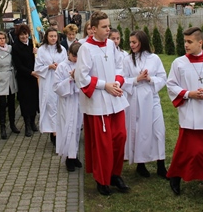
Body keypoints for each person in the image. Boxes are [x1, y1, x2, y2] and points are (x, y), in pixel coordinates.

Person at [166, 26, 203, 205]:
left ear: (200, 42)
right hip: (190, 113)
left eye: (190, 42)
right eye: (185, 41)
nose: (186, 45)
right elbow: (171, 85)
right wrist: (188, 93)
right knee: (185, 151)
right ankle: (175, 178)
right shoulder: (179, 63)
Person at [74, 11, 130, 196]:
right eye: (104, 27)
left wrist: (117, 82)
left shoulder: (111, 45)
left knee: (120, 137)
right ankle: (102, 179)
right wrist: (105, 85)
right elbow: (81, 77)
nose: (108, 30)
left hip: (115, 98)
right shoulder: (86, 48)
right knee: (103, 144)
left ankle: (115, 174)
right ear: (93, 29)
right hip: (98, 103)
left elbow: (120, 66)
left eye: (109, 26)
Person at [122, 30, 168, 178]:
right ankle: (140, 164)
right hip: (136, 99)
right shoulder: (127, 60)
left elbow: (163, 77)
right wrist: (137, 79)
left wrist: (150, 79)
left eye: (134, 42)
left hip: (152, 97)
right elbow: (122, 79)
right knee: (140, 131)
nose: (131, 45)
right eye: (130, 42)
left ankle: (161, 164)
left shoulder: (154, 58)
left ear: (142, 42)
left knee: (158, 130)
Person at [53, 41, 83, 172]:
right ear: (69, 53)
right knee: (68, 127)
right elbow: (56, 86)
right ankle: (68, 158)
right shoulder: (62, 67)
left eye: (78, 57)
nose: (75, 59)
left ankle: (74, 154)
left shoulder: (82, 65)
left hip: (78, 100)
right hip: (67, 101)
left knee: (76, 128)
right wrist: (70, 79)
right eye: (74, 56)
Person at [35, 27, 68, 146]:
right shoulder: (41, 50)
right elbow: (37, 67)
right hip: (47, 81)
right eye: (51, 36)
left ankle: (59, 131)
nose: (53, 38)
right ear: (47, 37)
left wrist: (59, 66)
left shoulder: (62, 49)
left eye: (55, 36)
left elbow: (66, 64)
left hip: (59, 80)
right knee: (50, 105)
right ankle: (53, 132)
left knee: (59, 106)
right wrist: (49, 66)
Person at [11, 24, 39, 137]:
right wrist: (30, 72)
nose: (24, 37)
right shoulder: (16, 47)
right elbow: (18, 65)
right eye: (22, 35)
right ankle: (27, 124)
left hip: (34, 78)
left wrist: (37, 52)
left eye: (26, 34)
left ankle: (33, 121)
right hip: (24, 78)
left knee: (34, 100)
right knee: (25, 102)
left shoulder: (33, 43)